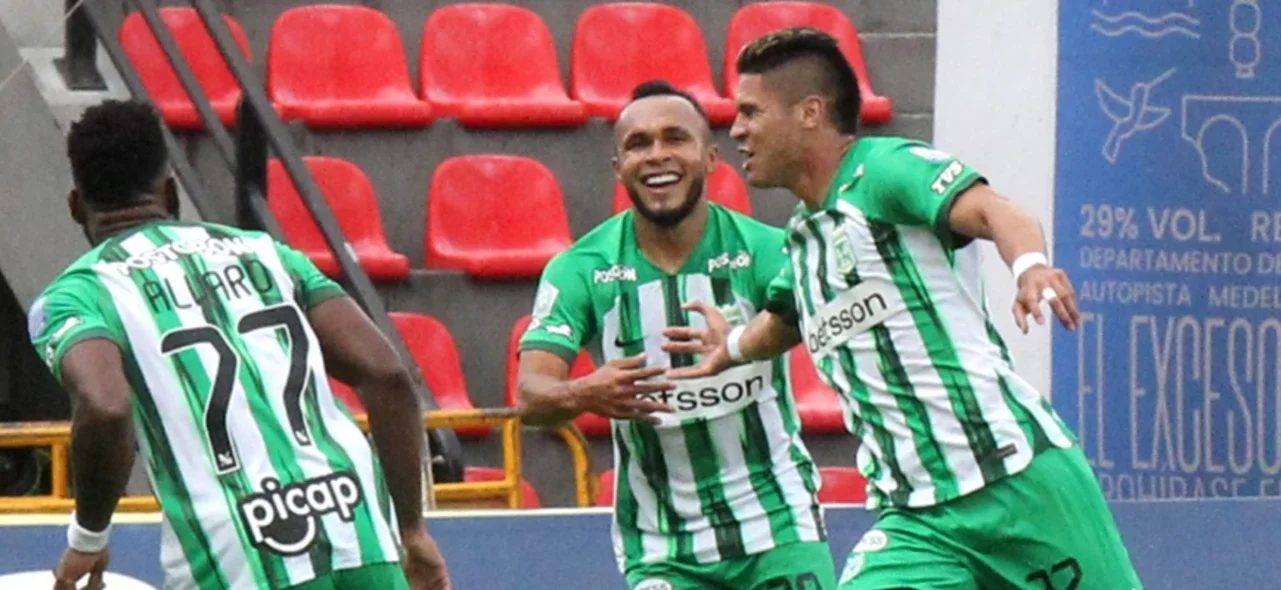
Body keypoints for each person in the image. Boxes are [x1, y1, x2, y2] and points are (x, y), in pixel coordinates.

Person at [664, 28, 1144, 589]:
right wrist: (733, 347)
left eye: (750, 112)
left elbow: (995, 210)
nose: (737, 129)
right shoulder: (800, 242)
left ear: (810, 113)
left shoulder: (883, 172)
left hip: (1018, 482)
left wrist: (1030, 266)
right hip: (917, 520)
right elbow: (783, 322)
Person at [29, 99, 451, 590]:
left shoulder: (78, 293)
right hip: (355, 524)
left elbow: (105, 407)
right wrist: (411, 528)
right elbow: (386, 373)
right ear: (171, 194)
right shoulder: (267, 254)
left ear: (76, 205)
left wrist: (88, 537)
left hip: (234, 548)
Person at [517, 80, 836, 590]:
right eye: (639, 144)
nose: (657, 155)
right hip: (663, 547)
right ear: (618, 166)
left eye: (675, 138)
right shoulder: (579, 268)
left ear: (711, 158)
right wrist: (585, 391)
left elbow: (835, 321)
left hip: (777, 526)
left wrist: (744, 341)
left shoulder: (766, 251)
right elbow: (531, 397)